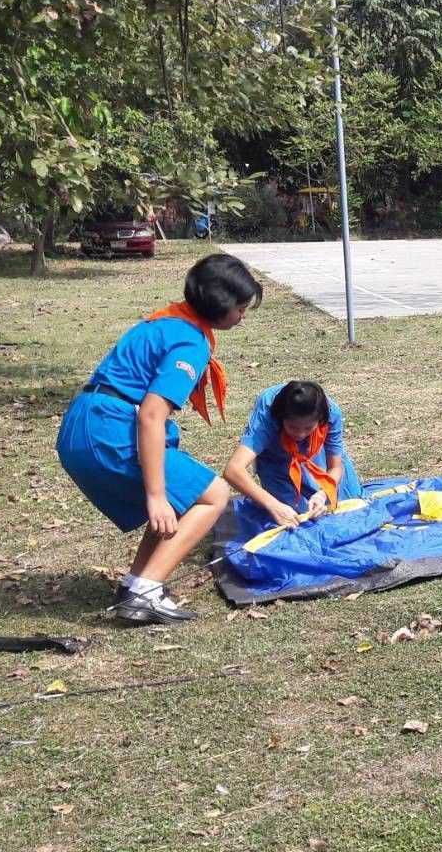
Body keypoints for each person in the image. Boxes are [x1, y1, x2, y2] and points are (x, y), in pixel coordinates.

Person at [56, 254, 262, 625]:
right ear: (220, 304)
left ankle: (136, 584)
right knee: (213, 495)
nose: (243, 316)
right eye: (241, 308)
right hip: (108, 431)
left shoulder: (166, 321)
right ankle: (146, 592)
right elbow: (151, 415)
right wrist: (155, 496)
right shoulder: (190, 343)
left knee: (183, 493)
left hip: (83, 424)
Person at [222, 380, 363, 530]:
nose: (300, 434)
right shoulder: (268, 413)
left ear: (319, 420)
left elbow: (335, 467)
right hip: (276, 457)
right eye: (293, 427)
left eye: (308, 428)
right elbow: (233, 470)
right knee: (298, 516)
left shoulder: (330, 414)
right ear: (281, 418)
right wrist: (273, 505)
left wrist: (323, 494)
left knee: (349, 506)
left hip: (313, 452)